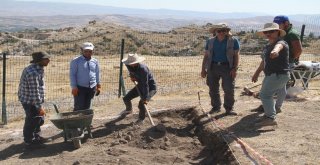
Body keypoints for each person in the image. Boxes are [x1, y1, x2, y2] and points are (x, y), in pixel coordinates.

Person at [255, 15, 303, 112]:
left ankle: (272, 108)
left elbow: (298, 50)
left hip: (284, 64)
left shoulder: (292, 34)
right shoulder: (276, 39)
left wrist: (289, 59)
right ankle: (274, 107)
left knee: (274, 87)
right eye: (267, 31)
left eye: (279, 24)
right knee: (280, 87)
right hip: (277, 63)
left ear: (286, 23)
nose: (278, 26)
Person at [252, 23, 290, 127]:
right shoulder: (267, 46)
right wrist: (256, 73)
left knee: (265, 95)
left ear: (278, 32)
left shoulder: (281, 42)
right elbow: (263, 61)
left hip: (278, 74)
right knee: (275, 92)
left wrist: (275, 51)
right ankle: (271, 113)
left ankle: (270, 118)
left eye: (271, 31)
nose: (268, 33)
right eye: (266, 32)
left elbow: (279, 47)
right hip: (272, 74)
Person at [201, 23, 240, 115]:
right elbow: (206, 56)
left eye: (224, 30)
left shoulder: (233, 41)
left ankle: (229, 108)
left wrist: (235, 68)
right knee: (213, 89)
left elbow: (236, 56)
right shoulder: (210, 41)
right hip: (212, 66)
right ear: (215, 31)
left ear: (227, 31)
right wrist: (203, 69)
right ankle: (216, 107)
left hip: (227, 67)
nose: (221, 32)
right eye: (219, 31)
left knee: (229, 88)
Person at [18, 51, 50, 148]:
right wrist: (39, 107)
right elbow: (34, 92)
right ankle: (29, 141)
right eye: (46, 59)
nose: (49, 60)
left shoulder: (38, 68)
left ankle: (36, 137)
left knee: (37, 119)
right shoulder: (33, 73)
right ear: (39, 61)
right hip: (30, 100)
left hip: (32, 99)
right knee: (31, 120)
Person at [122, 53, 157, 123]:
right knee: (126, 98)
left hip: (150, 88)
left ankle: (141, 119)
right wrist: (132, 76)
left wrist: (145, 98)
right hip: (140, 85)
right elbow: (131, 71)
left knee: (141, 104)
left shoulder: (143, 69)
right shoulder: (128, 65)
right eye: (130, 63)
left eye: (133, 63)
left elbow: (145, 84)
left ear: (137, 62)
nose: (131, 64)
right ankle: (129, 110)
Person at [70, 42, 101, 111]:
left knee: (87, 108)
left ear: (93, 51)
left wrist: (98, 85)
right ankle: (77, 121)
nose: (88, 53)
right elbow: (72, 74)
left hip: (91, 88)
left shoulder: (95, 61)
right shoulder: (76, 61)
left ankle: (85, 121)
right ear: (82, 51)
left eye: (90, 51)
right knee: (78, 108)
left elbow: (97, 73)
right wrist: (74, 87)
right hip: (80, 88)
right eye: (86, 51)